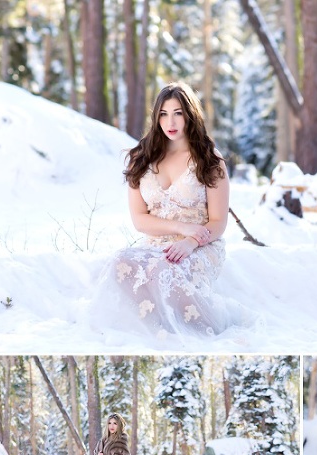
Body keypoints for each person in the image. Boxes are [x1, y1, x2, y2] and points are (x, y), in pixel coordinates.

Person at [93, 82, 230, 340]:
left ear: (190, 115)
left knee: (164, 269)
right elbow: (140, 219)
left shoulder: (210, 159)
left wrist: (190, 240)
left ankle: (184, 328)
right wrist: (180, 228)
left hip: (201, 245)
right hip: (156, 242)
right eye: (164, 114)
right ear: (156, 117)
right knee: (120, 262)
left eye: (178, 113)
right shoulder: (142, 157)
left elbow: (219, 221)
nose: (171, 121)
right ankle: (145, 326)